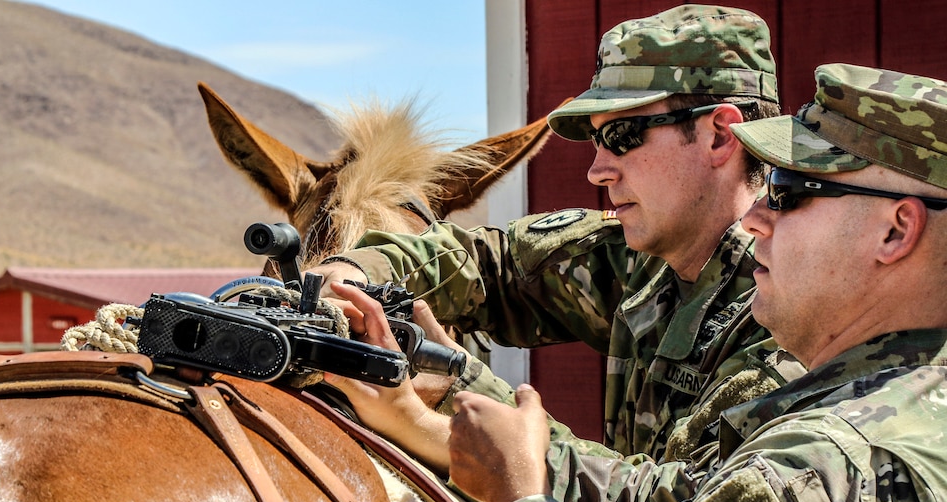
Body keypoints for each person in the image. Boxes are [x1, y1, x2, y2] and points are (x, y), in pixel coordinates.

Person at [448, 62, 947, 502]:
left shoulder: (813, 469)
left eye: (787, 190)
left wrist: (520, 499)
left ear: (896, 230)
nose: (756, 217)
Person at [316, 4, 799, 463]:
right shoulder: (644, 262)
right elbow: (493, 262)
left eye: (623, 136)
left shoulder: (792, 314)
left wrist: (454, 386)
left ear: (720, 135)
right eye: (595, 139)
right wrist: (349, 273)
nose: (598, 170)